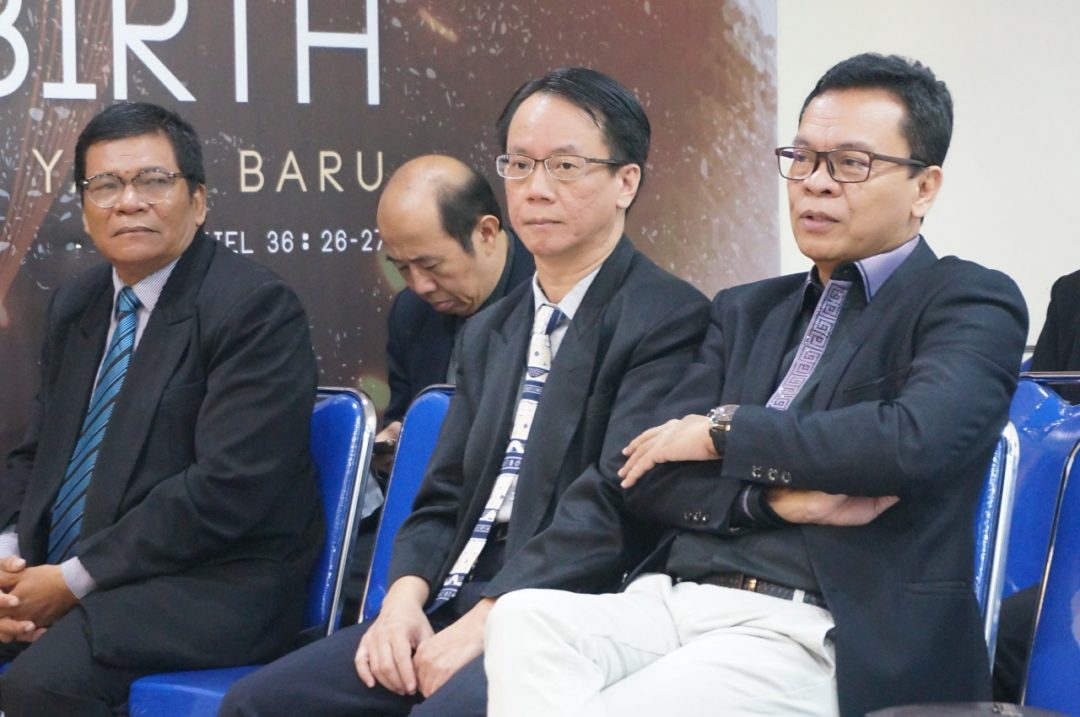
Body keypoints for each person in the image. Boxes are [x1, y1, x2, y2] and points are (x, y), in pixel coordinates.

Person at [484, 53, 1029, 717]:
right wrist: (769, 503)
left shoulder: (968, 300)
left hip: (820, 630)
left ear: (924, 187)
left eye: (851, 164)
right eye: (802, 159)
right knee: (524, 619)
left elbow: (910, 441)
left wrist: (723, 432)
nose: (816, 184)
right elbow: (646, 471)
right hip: (675, 600)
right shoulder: (744, 309)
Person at [219, 66, 710, 717]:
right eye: (520, 165)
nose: (536, 188)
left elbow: (612, 506)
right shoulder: (490, 330)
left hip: (564, 611)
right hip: (450, 597)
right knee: (259, 703)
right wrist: (400, 603)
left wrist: (490, 619)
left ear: (627, 181)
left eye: (565, 166)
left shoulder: (669, 317)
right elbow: (442, 493)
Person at [0, 102, 322, 717]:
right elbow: (35, 453)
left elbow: (229, 489)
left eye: (152, 181)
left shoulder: (254, 307)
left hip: (213, 582)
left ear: (198, 201)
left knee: (40, 685)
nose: (129, 202)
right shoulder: (76, 306)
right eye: (106, 185)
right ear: (85, 209)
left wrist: (71, 580)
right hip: (76, 572)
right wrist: (10, 564)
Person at [379, 154, 535, 442]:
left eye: (431, 265)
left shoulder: (552, 297)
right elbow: (402, 417)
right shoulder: (410, 312)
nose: (420, 286)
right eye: (402, 268)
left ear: (486, 233)